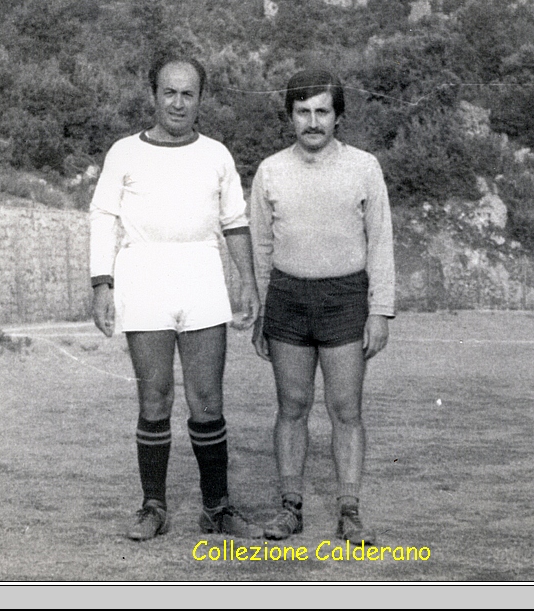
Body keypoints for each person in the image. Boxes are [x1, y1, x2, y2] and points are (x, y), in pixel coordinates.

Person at [89, 52, 263, 541]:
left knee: (207, 399)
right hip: (143, 274)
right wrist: (101, 283)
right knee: (155, 396)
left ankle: (217, 507)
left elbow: (235, 223)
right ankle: (153, 506)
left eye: (189, 93)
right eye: (170, 92)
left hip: (202, 275)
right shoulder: (124, 152)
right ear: (153, 96)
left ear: (201, 100)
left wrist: (248, 282)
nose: (179, 102)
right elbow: (103, 216)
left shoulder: (217, 155)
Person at [249, 69, 395, 544]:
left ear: (338, 116)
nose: (313, 122)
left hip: (344, 299)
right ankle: (290, 508)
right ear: (290, 116)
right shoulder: (270, 170)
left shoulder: (364, 167)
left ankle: (349, 511)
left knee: (345, 408)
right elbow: (261, 248)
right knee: (291, 405)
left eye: (322, 112)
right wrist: (262, 311)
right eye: (303, 111)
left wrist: (380, 310)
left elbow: (381, 244)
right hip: (288, 300)